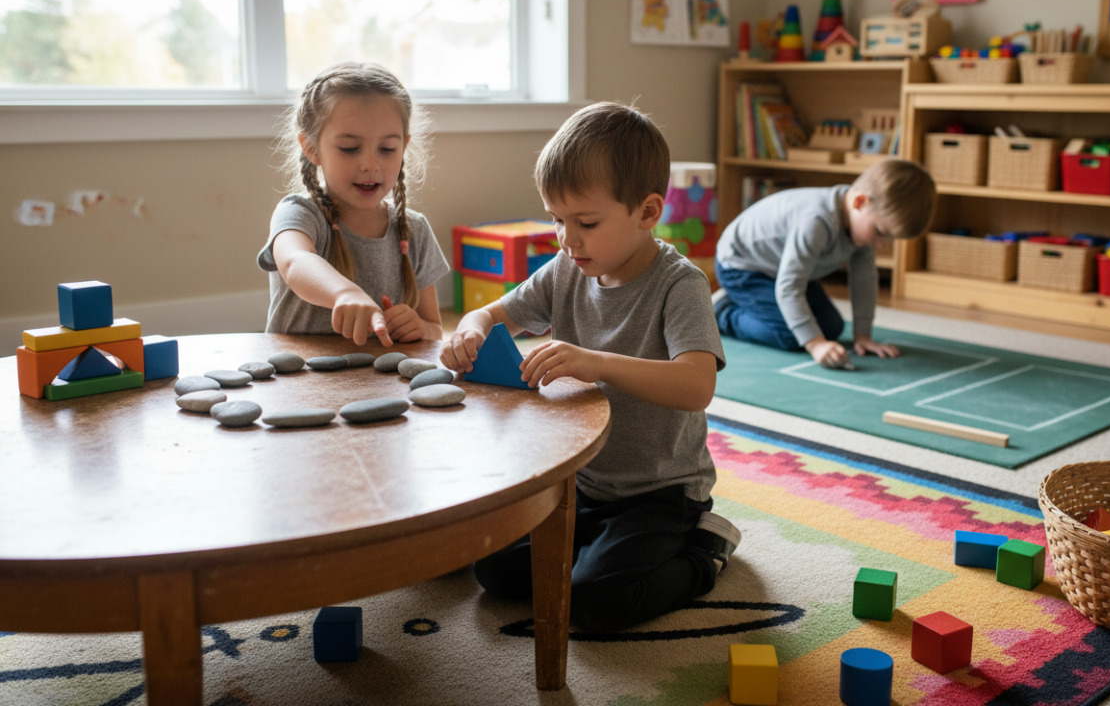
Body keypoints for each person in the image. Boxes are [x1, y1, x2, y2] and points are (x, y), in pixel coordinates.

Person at [440, 101, 737, 633]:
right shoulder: (566, 269)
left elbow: (697, 386)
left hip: (661, 493)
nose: (566, 238)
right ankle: (599, 553)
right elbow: (489, 312)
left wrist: (595, 363)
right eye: (557, 219)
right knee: (495, 571)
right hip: (584, 483)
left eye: (586, 222)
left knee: (598, 602)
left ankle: (705, 552)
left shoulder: (681, 284)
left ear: (647, 213)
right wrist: (470, 330)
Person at [258, 62, 449, 345]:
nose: (370, 165)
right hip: (299, 383)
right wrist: (344, 293)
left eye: (387, 149)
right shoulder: (299, 213)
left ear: (404, 147)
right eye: (349, 148)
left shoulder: (415, 230)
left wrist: (420, 328)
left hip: (379, 382)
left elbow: (435, 328)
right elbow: (295, 262)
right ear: (311, 148)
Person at [712, 159, 935, 369]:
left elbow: (864, 282)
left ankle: (751, 304)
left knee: (832, 327)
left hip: (783, 270)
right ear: (859, 202)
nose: (882, 245)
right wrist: (815, 345)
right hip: (742, 268)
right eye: (880, 233)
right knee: (792, 336)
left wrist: (863, 335)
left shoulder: (864, 227)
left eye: (890, 239)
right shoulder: (816, 222)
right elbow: (789, 287)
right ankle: (723, 313)